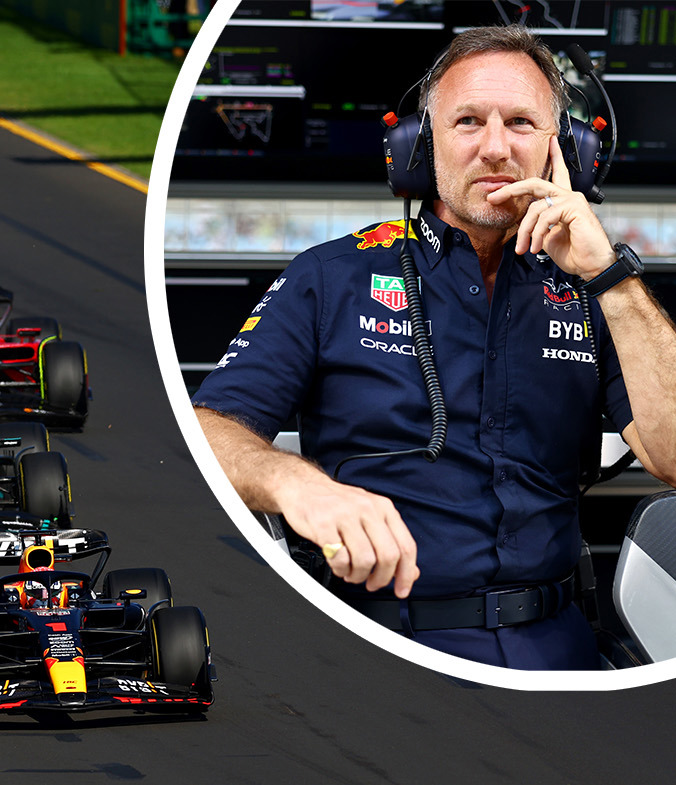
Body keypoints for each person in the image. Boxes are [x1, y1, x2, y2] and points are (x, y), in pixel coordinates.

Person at [191, 25, 676, 669]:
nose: (495, 147)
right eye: (468, 121)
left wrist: (609, 274)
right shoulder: (331, 277)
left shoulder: (599, 293)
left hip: (558, 647)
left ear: (563, 151)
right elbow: (208, 432)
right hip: (377, 647)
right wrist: (295, 484)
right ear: (421, 146)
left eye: (521, 123)